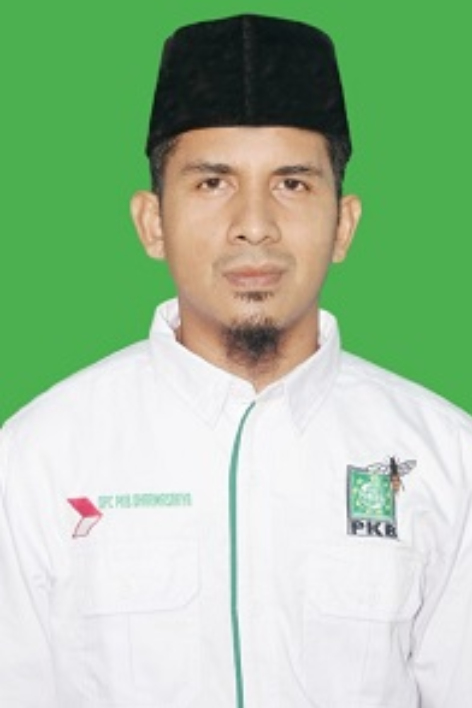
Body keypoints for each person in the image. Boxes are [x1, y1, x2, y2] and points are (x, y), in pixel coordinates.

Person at [1, 13, 471, 708]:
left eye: (293, 184)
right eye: (213, 183)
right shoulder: (38, 457)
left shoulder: (446, 456)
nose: (255, 225)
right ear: (152, 222)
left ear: (343, 224)